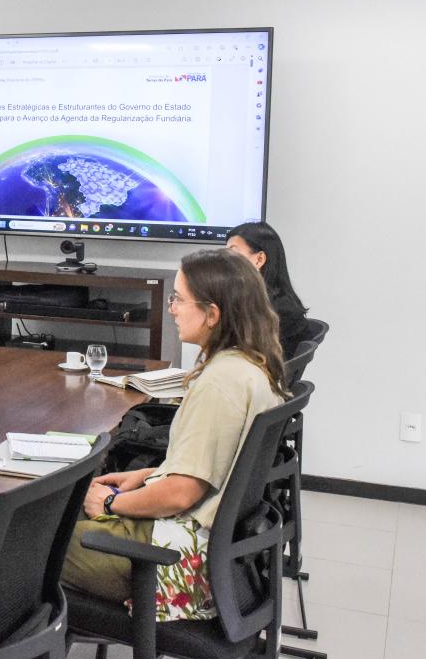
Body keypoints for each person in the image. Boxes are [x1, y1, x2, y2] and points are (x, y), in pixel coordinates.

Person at [60, 248, 288, 621]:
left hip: (173, 562)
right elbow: (219, 470)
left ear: (212, 314)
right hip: (214, 557)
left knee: (24, 544)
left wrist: (112, 504)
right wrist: (149, 475)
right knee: (61, 522)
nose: (172, 309)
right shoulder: (250, 368)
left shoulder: (219, 383)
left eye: (179, 299)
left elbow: (182, 493)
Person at [226, 220, 310, 358]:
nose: (224, 261)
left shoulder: (280, 310)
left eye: (232, 254)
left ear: (259, 259)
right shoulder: (248, 301)